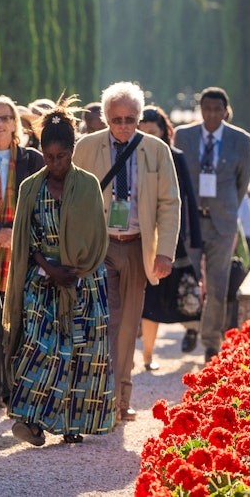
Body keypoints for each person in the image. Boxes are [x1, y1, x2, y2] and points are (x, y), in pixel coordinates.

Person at [3, 103, 115, 446]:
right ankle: (30, 421)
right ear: (41, 153)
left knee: (81, 352)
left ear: (72, 151)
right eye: (49, 157)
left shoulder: (89, 185)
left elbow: (97, 237)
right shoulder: (30, 188)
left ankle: (71, 423)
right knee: (39, 346)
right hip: (43, 278)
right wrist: (51, 269)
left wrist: (75, 272)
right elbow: (26, 237)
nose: (56, 163)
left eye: (62, 156)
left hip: (84, 280)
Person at [73, 81, 180, 423]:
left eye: (129, 119)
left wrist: (164, 253)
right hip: (100, 246)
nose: (123, 126)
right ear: (105, 117)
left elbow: (169, 203)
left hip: (137, 246)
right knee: (106, 321)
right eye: (116, 119)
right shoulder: (87, 148)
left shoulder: (156, 150)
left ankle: (121, 398)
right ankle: (102, 396)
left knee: (129, 322)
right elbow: (72, 199)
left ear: (138, 117)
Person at [0, 96, 44, 405]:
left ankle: (18, 388)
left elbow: (44, 205)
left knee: (21, 324)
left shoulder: (32, 159)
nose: (0, 123)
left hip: (23, 252)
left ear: (15, 123)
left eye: (6, 117)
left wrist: (17, 233)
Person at [174, 87, 250, 364]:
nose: (211, 114)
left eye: (217, 109)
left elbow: (242, 183)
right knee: (188, 279)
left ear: (225, 111)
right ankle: (191, 327)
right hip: (191, 221)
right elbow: (177, 177)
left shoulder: (240, 140)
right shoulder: (184, 135)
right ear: (200, 109)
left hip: (222, 223)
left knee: (217, 285)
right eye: (206, 108)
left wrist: (226, 208)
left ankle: (211, 341)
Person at [137, 106, 202, 370]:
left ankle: (192, 331)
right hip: (141, 235)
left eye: (153, 132)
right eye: (144, 133)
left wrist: (192, 236)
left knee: (184, 289)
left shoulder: (175, 156)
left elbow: (187, 198)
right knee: (150, 298)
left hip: (171, 236)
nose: (148, 138)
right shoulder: (132, 156)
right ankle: (148, 356)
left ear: (163, 131)